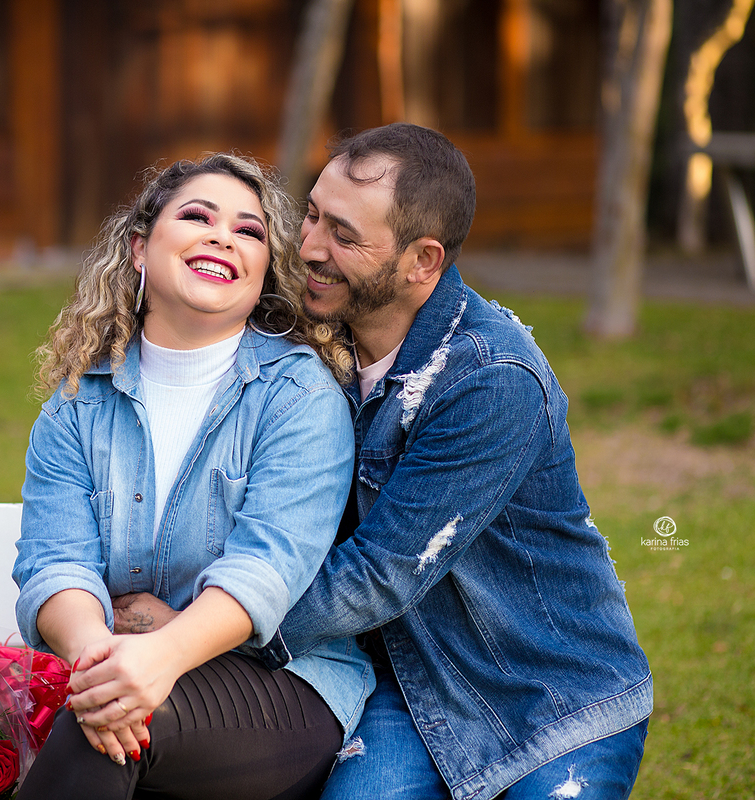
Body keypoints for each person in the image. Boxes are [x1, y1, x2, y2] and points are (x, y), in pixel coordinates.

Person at [115, 124, 654, 799]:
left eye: (345, 236)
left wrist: (195, 629)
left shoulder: (490, 378)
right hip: (405, 687)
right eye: (311, 214)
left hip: (549, 695)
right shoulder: (307, 341)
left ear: (422, 261)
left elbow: (377, 575)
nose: (309, 247)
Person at [12, 152, 374, 799]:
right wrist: (103, 662)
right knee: (106, 717)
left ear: (264, 271)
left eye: (249, 230)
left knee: (106, 727)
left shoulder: (298, 396)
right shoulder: (76, 403)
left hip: (281, 689)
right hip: (129, 673)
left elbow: (267, 569)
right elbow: (54, 562)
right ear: (139, 248)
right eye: (198, 216)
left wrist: (152, 662)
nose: (222, 236)